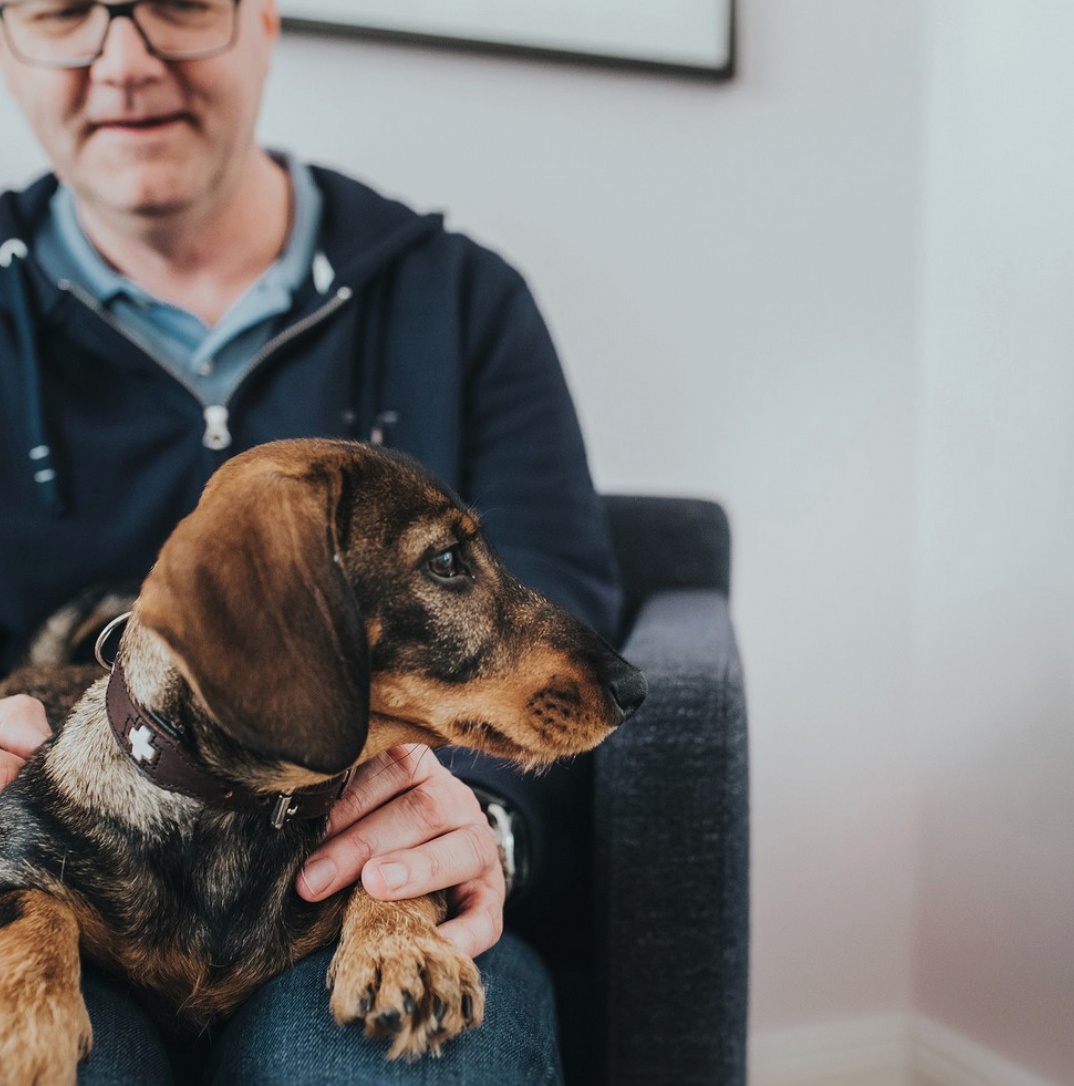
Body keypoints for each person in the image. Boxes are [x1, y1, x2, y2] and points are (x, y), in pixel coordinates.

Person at [0, 1, 622, 1083]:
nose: (126, 61)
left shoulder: (460, 300)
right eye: (62, 10)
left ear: (266, 21)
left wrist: (478, 830)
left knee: (410, 1064)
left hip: (359, 875)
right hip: (62, 872)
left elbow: (556, 601)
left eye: (179, 6)